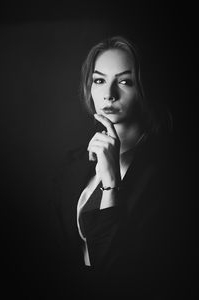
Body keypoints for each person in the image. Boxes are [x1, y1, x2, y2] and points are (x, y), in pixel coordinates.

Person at [51, 36, 183, 298]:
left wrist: (111, 185)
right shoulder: (74, 163)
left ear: (145, 88)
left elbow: (119, 272)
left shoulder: (170, 173)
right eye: (99, 80)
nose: (109, 94)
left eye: (124, 81)